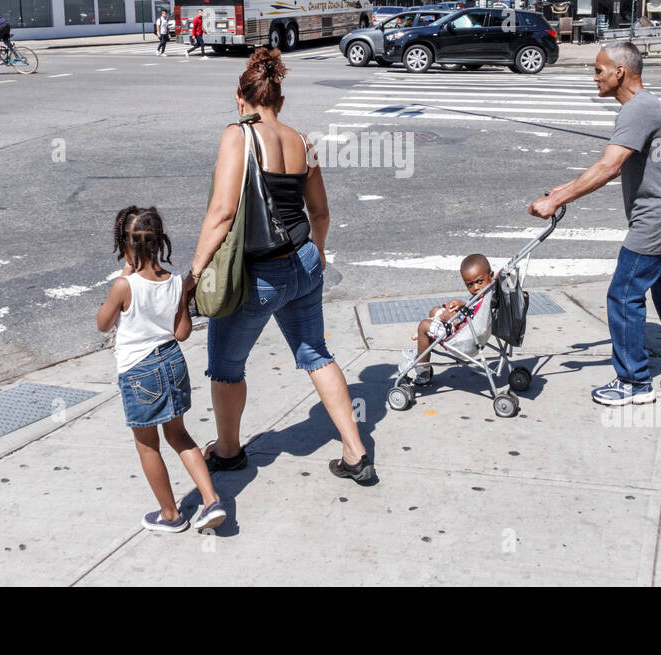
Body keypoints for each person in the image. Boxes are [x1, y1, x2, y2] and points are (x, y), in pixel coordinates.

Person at [187, 48, 374, 483]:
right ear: (280, 101)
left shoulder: (238, 135)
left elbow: (221, 214)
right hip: (305, 260)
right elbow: (320, 213)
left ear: (240, 98)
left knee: (226, 367)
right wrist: (319, 254)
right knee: (316, 355)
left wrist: (195, 275)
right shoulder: (303, 141)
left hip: (259, 273)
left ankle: (229, 451)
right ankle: (354, 450)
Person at [526, 42, 661, 406]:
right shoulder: (644, 106)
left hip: (658, 216)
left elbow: (609, 166)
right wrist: (564, 188)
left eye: (599, 69)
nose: (594, 76)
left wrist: (555, 201)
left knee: (624, 294)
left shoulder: (637, 110)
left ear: (620, 72)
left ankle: (633, 382)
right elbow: (609, 165)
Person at [96, 205, 226, 533]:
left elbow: (103, 324)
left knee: (147, 444)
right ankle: (211, 500)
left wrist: (125, 275)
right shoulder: (174, 283)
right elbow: (182, 332)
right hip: (172, 362)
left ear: (125, 246)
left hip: (140, 371)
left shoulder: (124, 287)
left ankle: (170, 515)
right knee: (179, 434)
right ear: (158, 243)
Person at [405, 253, 494, 385]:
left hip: (466, 339)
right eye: (470, 285)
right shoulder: (488, 294)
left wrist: (450, 317)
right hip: (469, 328)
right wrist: (461, 304)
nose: (475, 288)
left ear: (491, 276)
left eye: (479, 282)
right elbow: (473, 311)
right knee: (435, 310)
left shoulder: (485, 297)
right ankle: (423, 350)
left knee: (424, 326)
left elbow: (471, 318)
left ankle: (422, 370)